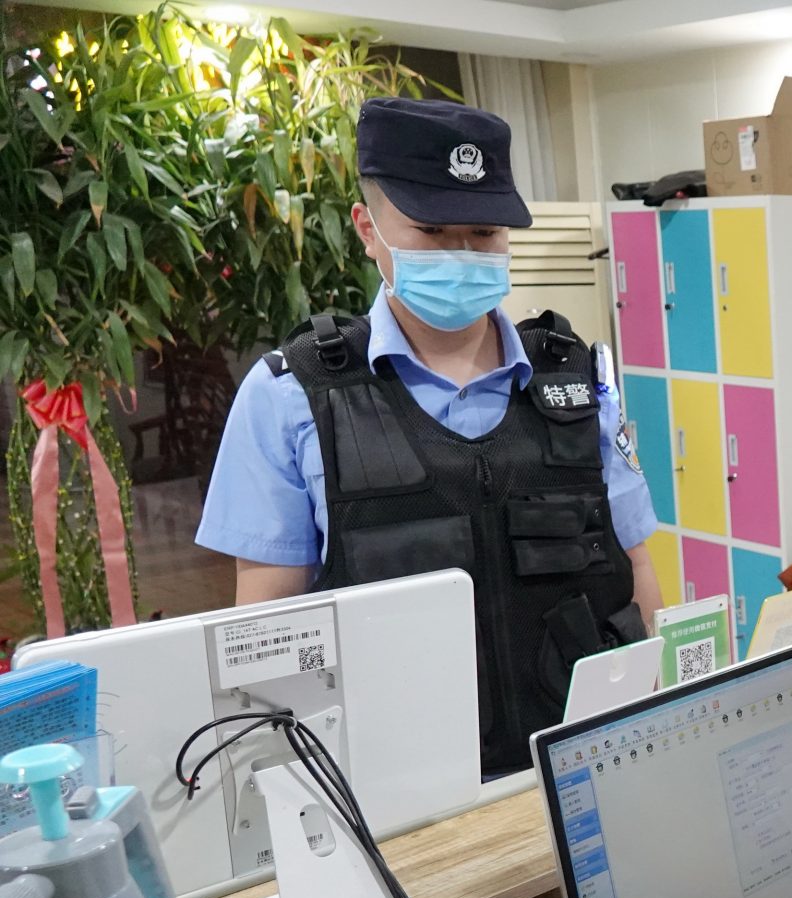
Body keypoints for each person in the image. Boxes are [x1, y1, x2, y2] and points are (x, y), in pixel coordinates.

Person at [198, 98, 664, 774]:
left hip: (580, 762)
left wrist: (665, 703)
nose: (462, 254)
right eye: (433, 229)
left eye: (484, 234)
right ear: (367, 228)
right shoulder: (290, 397)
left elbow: (635, 568)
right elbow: (267, 628)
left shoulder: (574, 378)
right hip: (398, 784)